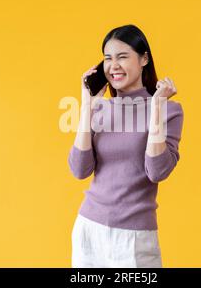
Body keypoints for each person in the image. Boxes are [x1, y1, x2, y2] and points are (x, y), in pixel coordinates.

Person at [68, 24, 184, 267]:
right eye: (108, 58)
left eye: (122, 57)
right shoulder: (100, 108)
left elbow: (157, 171)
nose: (114, 66)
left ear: (144, 59)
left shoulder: (169, 109)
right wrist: (87, 105)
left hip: (134, 237)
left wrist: (156, 108)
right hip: (89, 230)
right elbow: (79, 170)